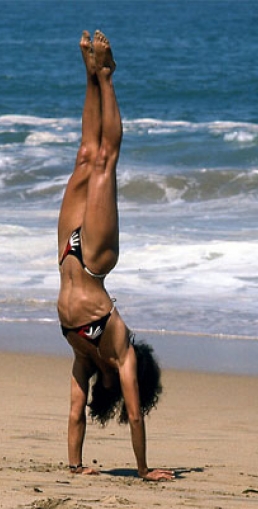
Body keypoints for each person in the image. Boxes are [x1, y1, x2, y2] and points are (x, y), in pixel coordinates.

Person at [57, 30, 174, 482]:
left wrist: (75, 466)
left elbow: (73, 414)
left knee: (85, 156)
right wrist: (143, 470)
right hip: (94, 261)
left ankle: (89, 74)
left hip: (67, 253)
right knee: (107, 159)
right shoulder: (122, 352)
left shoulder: (84, 361)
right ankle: (106, 77)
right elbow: (137, 416)